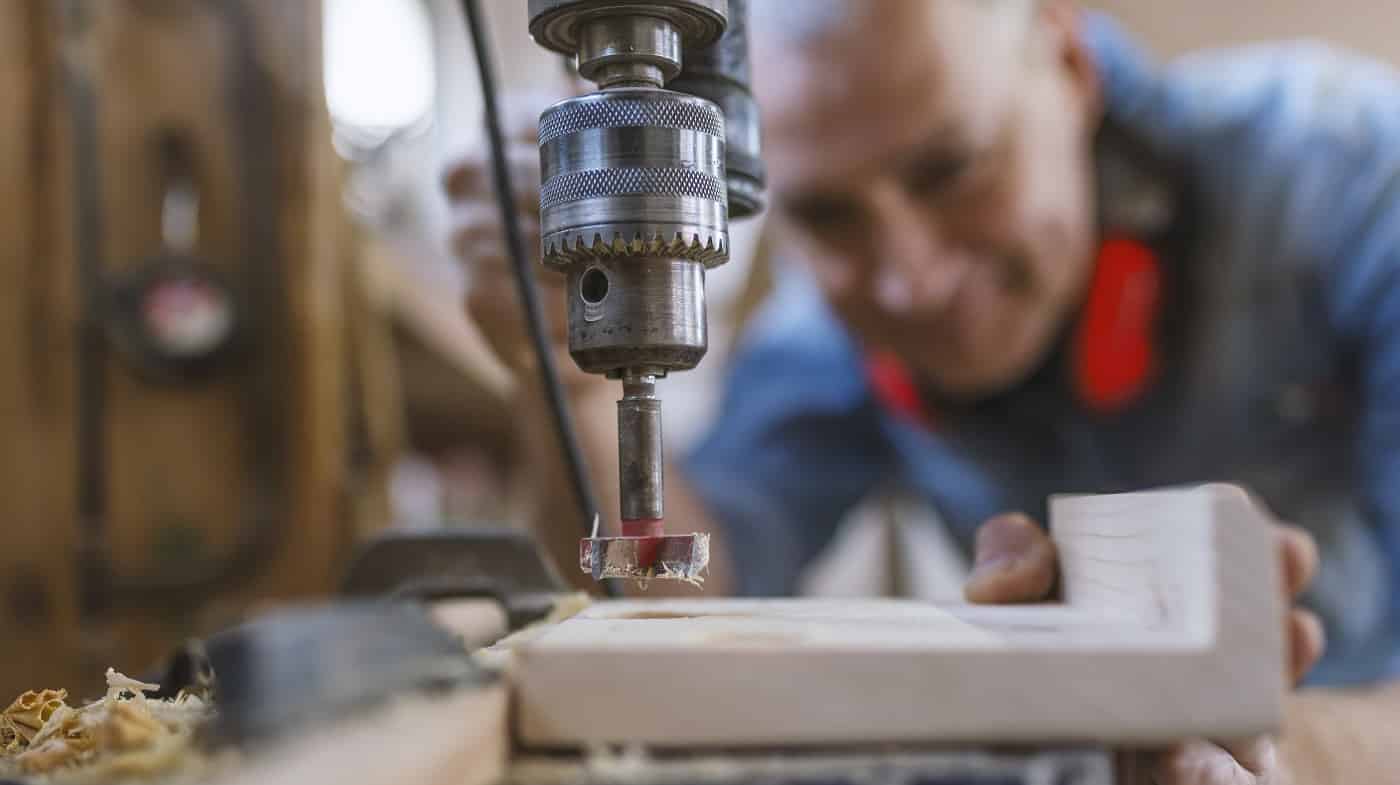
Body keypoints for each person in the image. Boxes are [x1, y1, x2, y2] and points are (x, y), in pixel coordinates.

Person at [446, 1, 1400, 781]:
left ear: (1066, 61)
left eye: (953, 169)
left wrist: (1260, 751)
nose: (909, 280)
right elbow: (671, 587)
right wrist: (564, 383)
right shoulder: (827, 339)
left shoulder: (1352, 183)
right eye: (828, 215)